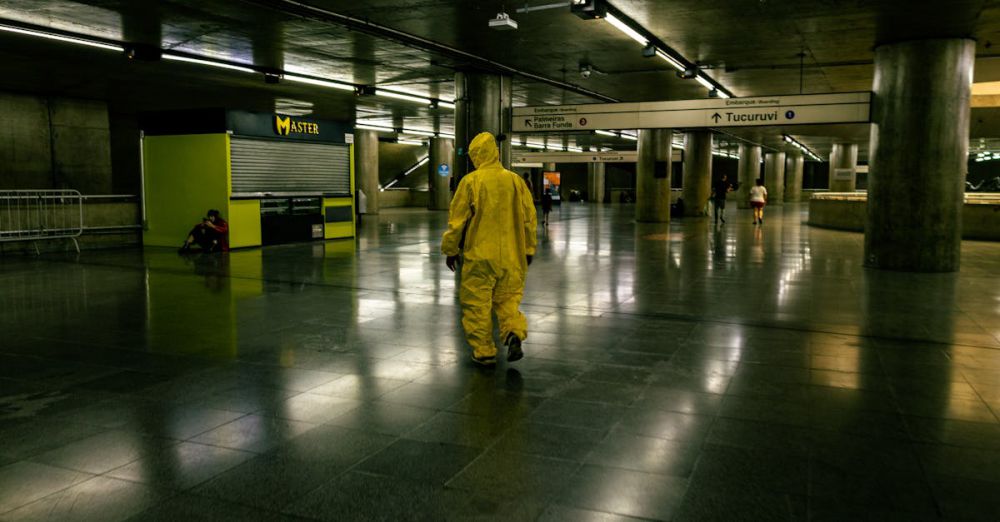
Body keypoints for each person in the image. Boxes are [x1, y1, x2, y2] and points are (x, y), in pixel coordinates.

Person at [442, 132, 537, 367]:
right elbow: (529, 219)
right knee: (507, 300)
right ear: (495, 152)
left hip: (481, 256)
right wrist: (529, 248)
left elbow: (457, 222)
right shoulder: (515, 181)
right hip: (513, 256)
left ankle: (484, 351)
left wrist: (450, 249)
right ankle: (513, 331)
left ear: (476, 155)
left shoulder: (471, 181)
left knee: (477, 304)